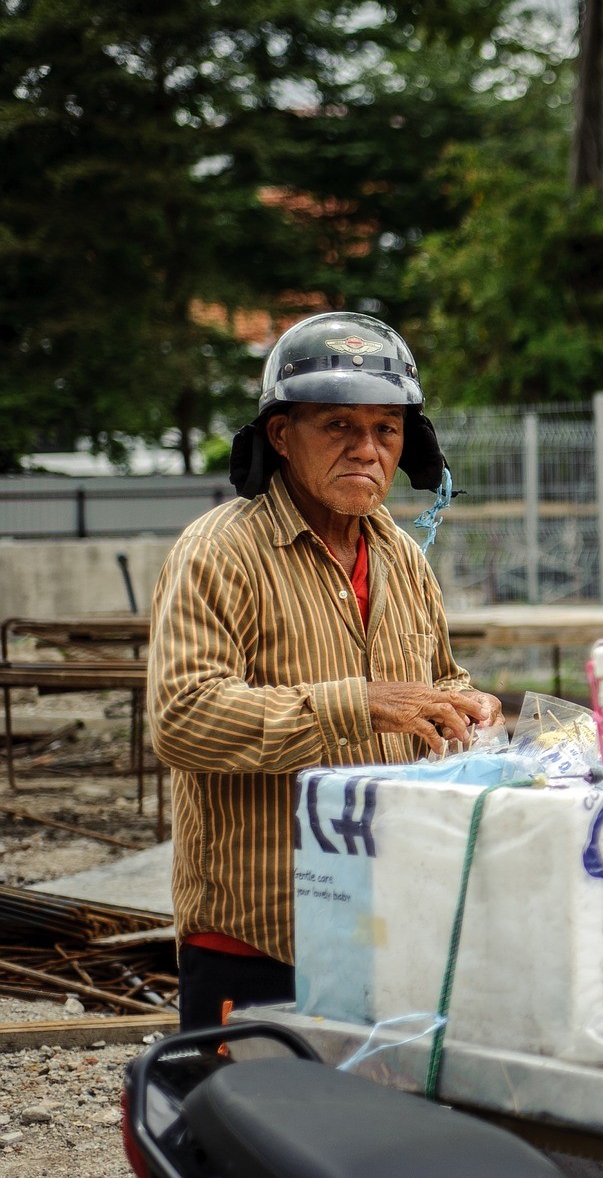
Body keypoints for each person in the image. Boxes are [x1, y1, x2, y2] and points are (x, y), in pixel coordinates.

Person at [149, 312, 503, 1031]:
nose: (366, 449)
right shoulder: (219, 552)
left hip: (387, 923)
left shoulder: (401, 555)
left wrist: (467, 704)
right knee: (247, 1134)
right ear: (281, 435)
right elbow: (183, 720)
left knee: (368, 1136)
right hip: (260, 935)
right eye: (338, 425)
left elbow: (436, 680)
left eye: (385, 429)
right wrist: (361, 704)